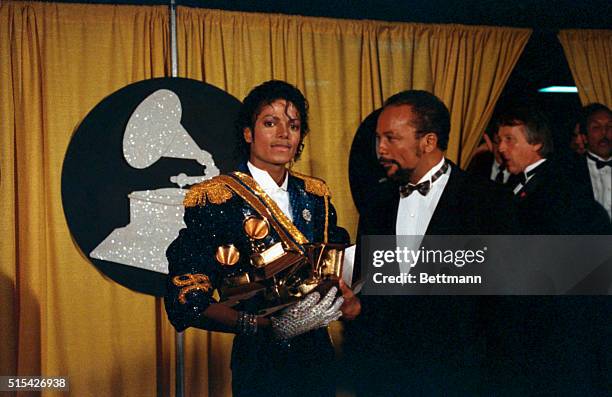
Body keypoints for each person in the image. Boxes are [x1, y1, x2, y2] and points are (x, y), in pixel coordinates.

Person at [164, 80, 361, 397]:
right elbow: (186, 298)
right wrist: (261, 326)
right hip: (260, 361)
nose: (284, 133)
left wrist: (348, 300)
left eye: (293, 125)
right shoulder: (216, 198)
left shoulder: (316, 195)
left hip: (318, 356)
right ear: (248, 133)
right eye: (271, 123)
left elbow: (335, 270)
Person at [345, 90, 516, 395]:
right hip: (387, 381)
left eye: (391, 138)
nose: (380, 149)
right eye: (377, 139)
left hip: (461, 380)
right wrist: (357, 307)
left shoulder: (488, 202)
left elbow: (506, 309)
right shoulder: (377, 205)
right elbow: (374, 295)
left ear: (429, 142)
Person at [572, 103, 611, 222]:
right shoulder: (571, 172)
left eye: (610, 126)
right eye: (596, 128)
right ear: (584, 137)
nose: (604, 133)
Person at [467, 125, 521, 189]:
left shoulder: (520, 171)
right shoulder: (478, 164)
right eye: (497, 142)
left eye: (507, 142)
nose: (500, 148)